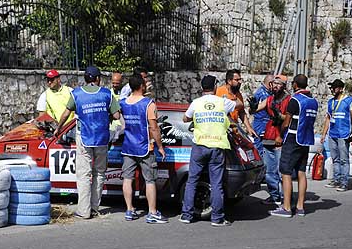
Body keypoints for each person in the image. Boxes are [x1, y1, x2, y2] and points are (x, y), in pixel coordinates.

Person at [55, 66, 121, 219]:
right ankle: (95, 208)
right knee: (99, 173)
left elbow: (66, 113)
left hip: (84, 138)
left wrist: (58, 128)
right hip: (102, 140)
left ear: (85, 78)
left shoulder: (77, 93)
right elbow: (117, 115)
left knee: (84, 174)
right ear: (98, 78)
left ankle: (84, 211)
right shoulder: (106, 94)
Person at [179, 75, 242, 226]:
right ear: (215, 87)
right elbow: (239, 104)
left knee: (192, 181)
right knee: (216, 184)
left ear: (202, 88)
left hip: (199, 146)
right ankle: (217, 218)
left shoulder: (196, 103)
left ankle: (186, 215)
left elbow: (185, 119)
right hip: (217, 146)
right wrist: (227, 97)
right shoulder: (223, 102)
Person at [120, 75, 168, 223]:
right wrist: (160, 147)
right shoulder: (149, 104)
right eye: (145, 83)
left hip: (128, 147)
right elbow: (154, 128)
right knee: (150, 180)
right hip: (145, 147)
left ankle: (129, 210)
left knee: (127, 179)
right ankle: (152, 212)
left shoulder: (122, 103)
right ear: (141, 86)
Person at [270, 74, 318, 218]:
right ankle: (300, 207)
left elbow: (287, 121)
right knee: (301, 173)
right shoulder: (313, 101)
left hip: (292, 138)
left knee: (285, 172)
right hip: (306, 140)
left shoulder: (295, 100)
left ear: (295, 85)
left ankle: (286, 208)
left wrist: (279, 135)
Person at [252, 75, 291, 206]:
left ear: (284, 86)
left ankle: (285, 197)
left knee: (281, 171)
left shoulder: (289, 100)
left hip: (281, 137)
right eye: (273, 83)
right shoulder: (269, 99)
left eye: (278, 84)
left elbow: (288, 118)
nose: (275, 86)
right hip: (269, 136)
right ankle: (274, 196)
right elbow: (256, 109)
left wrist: (279, 116)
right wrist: (252, 107)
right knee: (269, 171)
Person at [320, 79, 352, 192]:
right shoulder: (330, 102)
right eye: (332, 87)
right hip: (332, 134)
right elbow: (328, 118)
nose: (332, 89)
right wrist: (324, 134)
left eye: (335, 87)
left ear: (341, 89)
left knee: (343, 159)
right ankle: (336, 179)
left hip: (344, 134)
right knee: (335, 158)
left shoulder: (349, 101)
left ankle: (344, 182)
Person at [216, 69, 257, 137]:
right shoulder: (219, 92)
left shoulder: (238, 94)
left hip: (233, 129)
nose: (240, 82)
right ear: (229, 81)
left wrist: (249, 128)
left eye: (240, 79)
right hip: (221, 130)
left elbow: (241, 112)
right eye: (237, 80)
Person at [249, 74, 274, 158]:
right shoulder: (263, 94)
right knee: (260, 147)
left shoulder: (266, 92)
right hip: (261, 123)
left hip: (263, 122)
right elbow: (252, 110)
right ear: (270, 84)